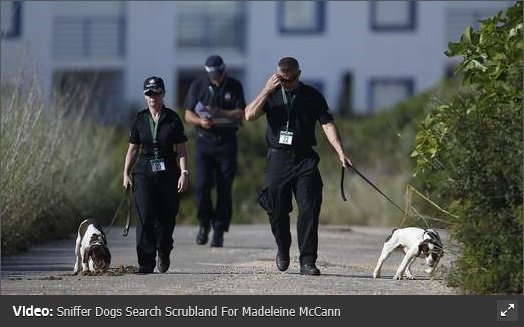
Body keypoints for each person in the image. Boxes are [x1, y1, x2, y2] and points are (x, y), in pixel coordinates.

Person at [244, 57, 352, 276]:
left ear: (298, 74)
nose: (285, 84)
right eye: (281, 80)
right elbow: (249, 116)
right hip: (277, 158)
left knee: (309, 209)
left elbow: (328, 125)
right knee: (277, 209)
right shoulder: (271, 93)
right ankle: (283, 248)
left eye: (289, 80)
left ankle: (308, 261)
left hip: (304, 158)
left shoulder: (313, 96)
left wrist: (341, 152)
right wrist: (266, 90)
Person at [123, 76, 189, 274]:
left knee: (166, 217)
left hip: (168, 172)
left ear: (163, 94)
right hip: (144, 172)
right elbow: (133, 150)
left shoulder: (173, 119)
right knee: (145, 216)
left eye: (156, 92)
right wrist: (126, 173)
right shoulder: (139, 119)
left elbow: (182, 150)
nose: (152, 97)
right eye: (148, 93)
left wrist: (184, 172)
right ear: (145, 96)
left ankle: (164, 250)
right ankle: (145, 262)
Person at [183, 55, 246, 247]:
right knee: (202, 187)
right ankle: (204, 223)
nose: (215, 78)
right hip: (204, 142)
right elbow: (188, 114)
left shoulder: (234, 85)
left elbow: (242, 112)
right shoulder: (199, 85)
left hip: (227, 142)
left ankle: (219, 230)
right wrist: (201, 121)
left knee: (224, 189)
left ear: (223, 69)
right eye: (212, 75)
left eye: (218, 74)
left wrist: (220, 112)